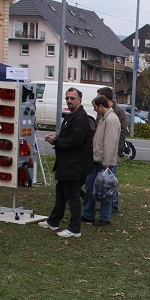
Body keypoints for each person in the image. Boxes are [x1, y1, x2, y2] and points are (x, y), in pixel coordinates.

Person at [39, 88, 94, 238]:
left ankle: (75, 229)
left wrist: (56, 140)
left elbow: (74, 140)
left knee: (73, 196)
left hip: (74, 165)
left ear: (79, 100)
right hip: (67, 163)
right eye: (67, 98)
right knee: (61, 193)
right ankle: (53, 221)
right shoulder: (72, 115)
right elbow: (68, 136)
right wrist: (56, 137)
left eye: (72, 98)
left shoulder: (81, 118)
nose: (69, 100)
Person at [86, 95, 120, 226]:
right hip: (97, 159)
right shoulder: (103, 119)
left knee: (105, 190)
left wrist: (106, 162)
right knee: (90, 187)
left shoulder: (111, 119)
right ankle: (89, 214)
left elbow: (110, 142)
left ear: (101, 106)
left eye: (95, 107)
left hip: (104, 162)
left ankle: (105, 217)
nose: (94, 110)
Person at [97, 87, 126, 213]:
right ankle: (105, 203)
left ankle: (113, 204)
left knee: (110, 180)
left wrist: (116, 151)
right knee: (104, 180)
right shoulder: (101, 110)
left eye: (99, 96)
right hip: (102, 153)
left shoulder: (118, 112)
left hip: (112, 153)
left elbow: (121, 133)